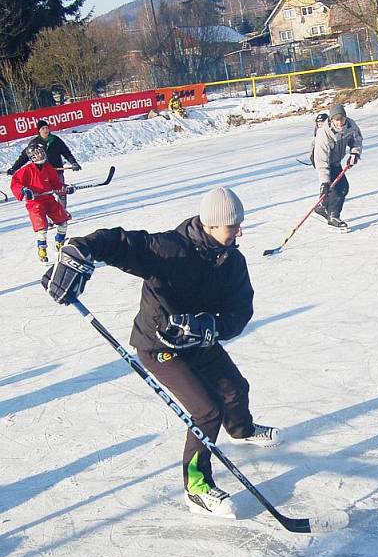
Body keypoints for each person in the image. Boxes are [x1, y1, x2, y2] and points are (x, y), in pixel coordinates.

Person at [41, 186, 280, 518]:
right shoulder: (168, 249)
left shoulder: (232, 261)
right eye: (232, 225)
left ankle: (241, 429)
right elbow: (119, 242)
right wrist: (79, 250)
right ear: (211, 225)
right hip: (158, 347)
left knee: (235, 389)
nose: (239, 231)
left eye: (240, 223)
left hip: (197, 340)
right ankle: (196, 488)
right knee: (207, 411)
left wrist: (210, 326)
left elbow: (241, 312)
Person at [10, 141, 72, 264]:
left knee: (63, 222)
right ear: (32, 156)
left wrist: (65, 188)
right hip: (35, 202)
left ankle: (59, 244)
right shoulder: (26, 170)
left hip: (48, 199)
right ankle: (42, 249)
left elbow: (56, 184)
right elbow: (15, 183)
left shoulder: (48, 168)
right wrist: (24, 190)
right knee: (42, 228)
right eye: (38, 153)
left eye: (42, 152)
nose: (41, 155)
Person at [312, 104, 363, 232]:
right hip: (322, 159)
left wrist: (355, 153)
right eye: (336, 119)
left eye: (342, 118)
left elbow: (357, 140)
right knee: (339, 189)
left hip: (335, 160)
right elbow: (321, 161)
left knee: (341, 187)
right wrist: (324, 182)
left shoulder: (351, 125)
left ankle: (321, 207)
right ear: (331, 120)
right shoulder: (324, 134)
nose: (340, 122)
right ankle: (333, 217)